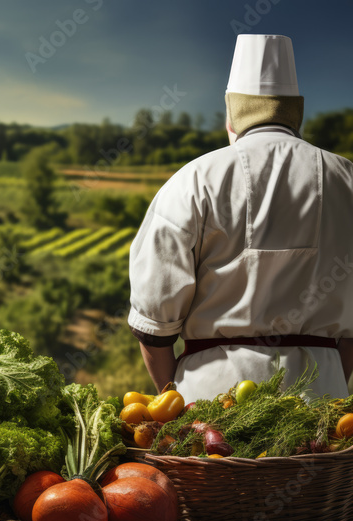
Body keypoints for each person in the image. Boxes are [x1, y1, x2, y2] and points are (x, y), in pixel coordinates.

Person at [127, 34, 353, 403]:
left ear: (232, 113)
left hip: (211, 405)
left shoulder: (193, 180)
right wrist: (330, 385)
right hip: (323, 407)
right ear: (296, 111)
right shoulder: (347, 179)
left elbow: (154, 325)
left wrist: (173, 404)